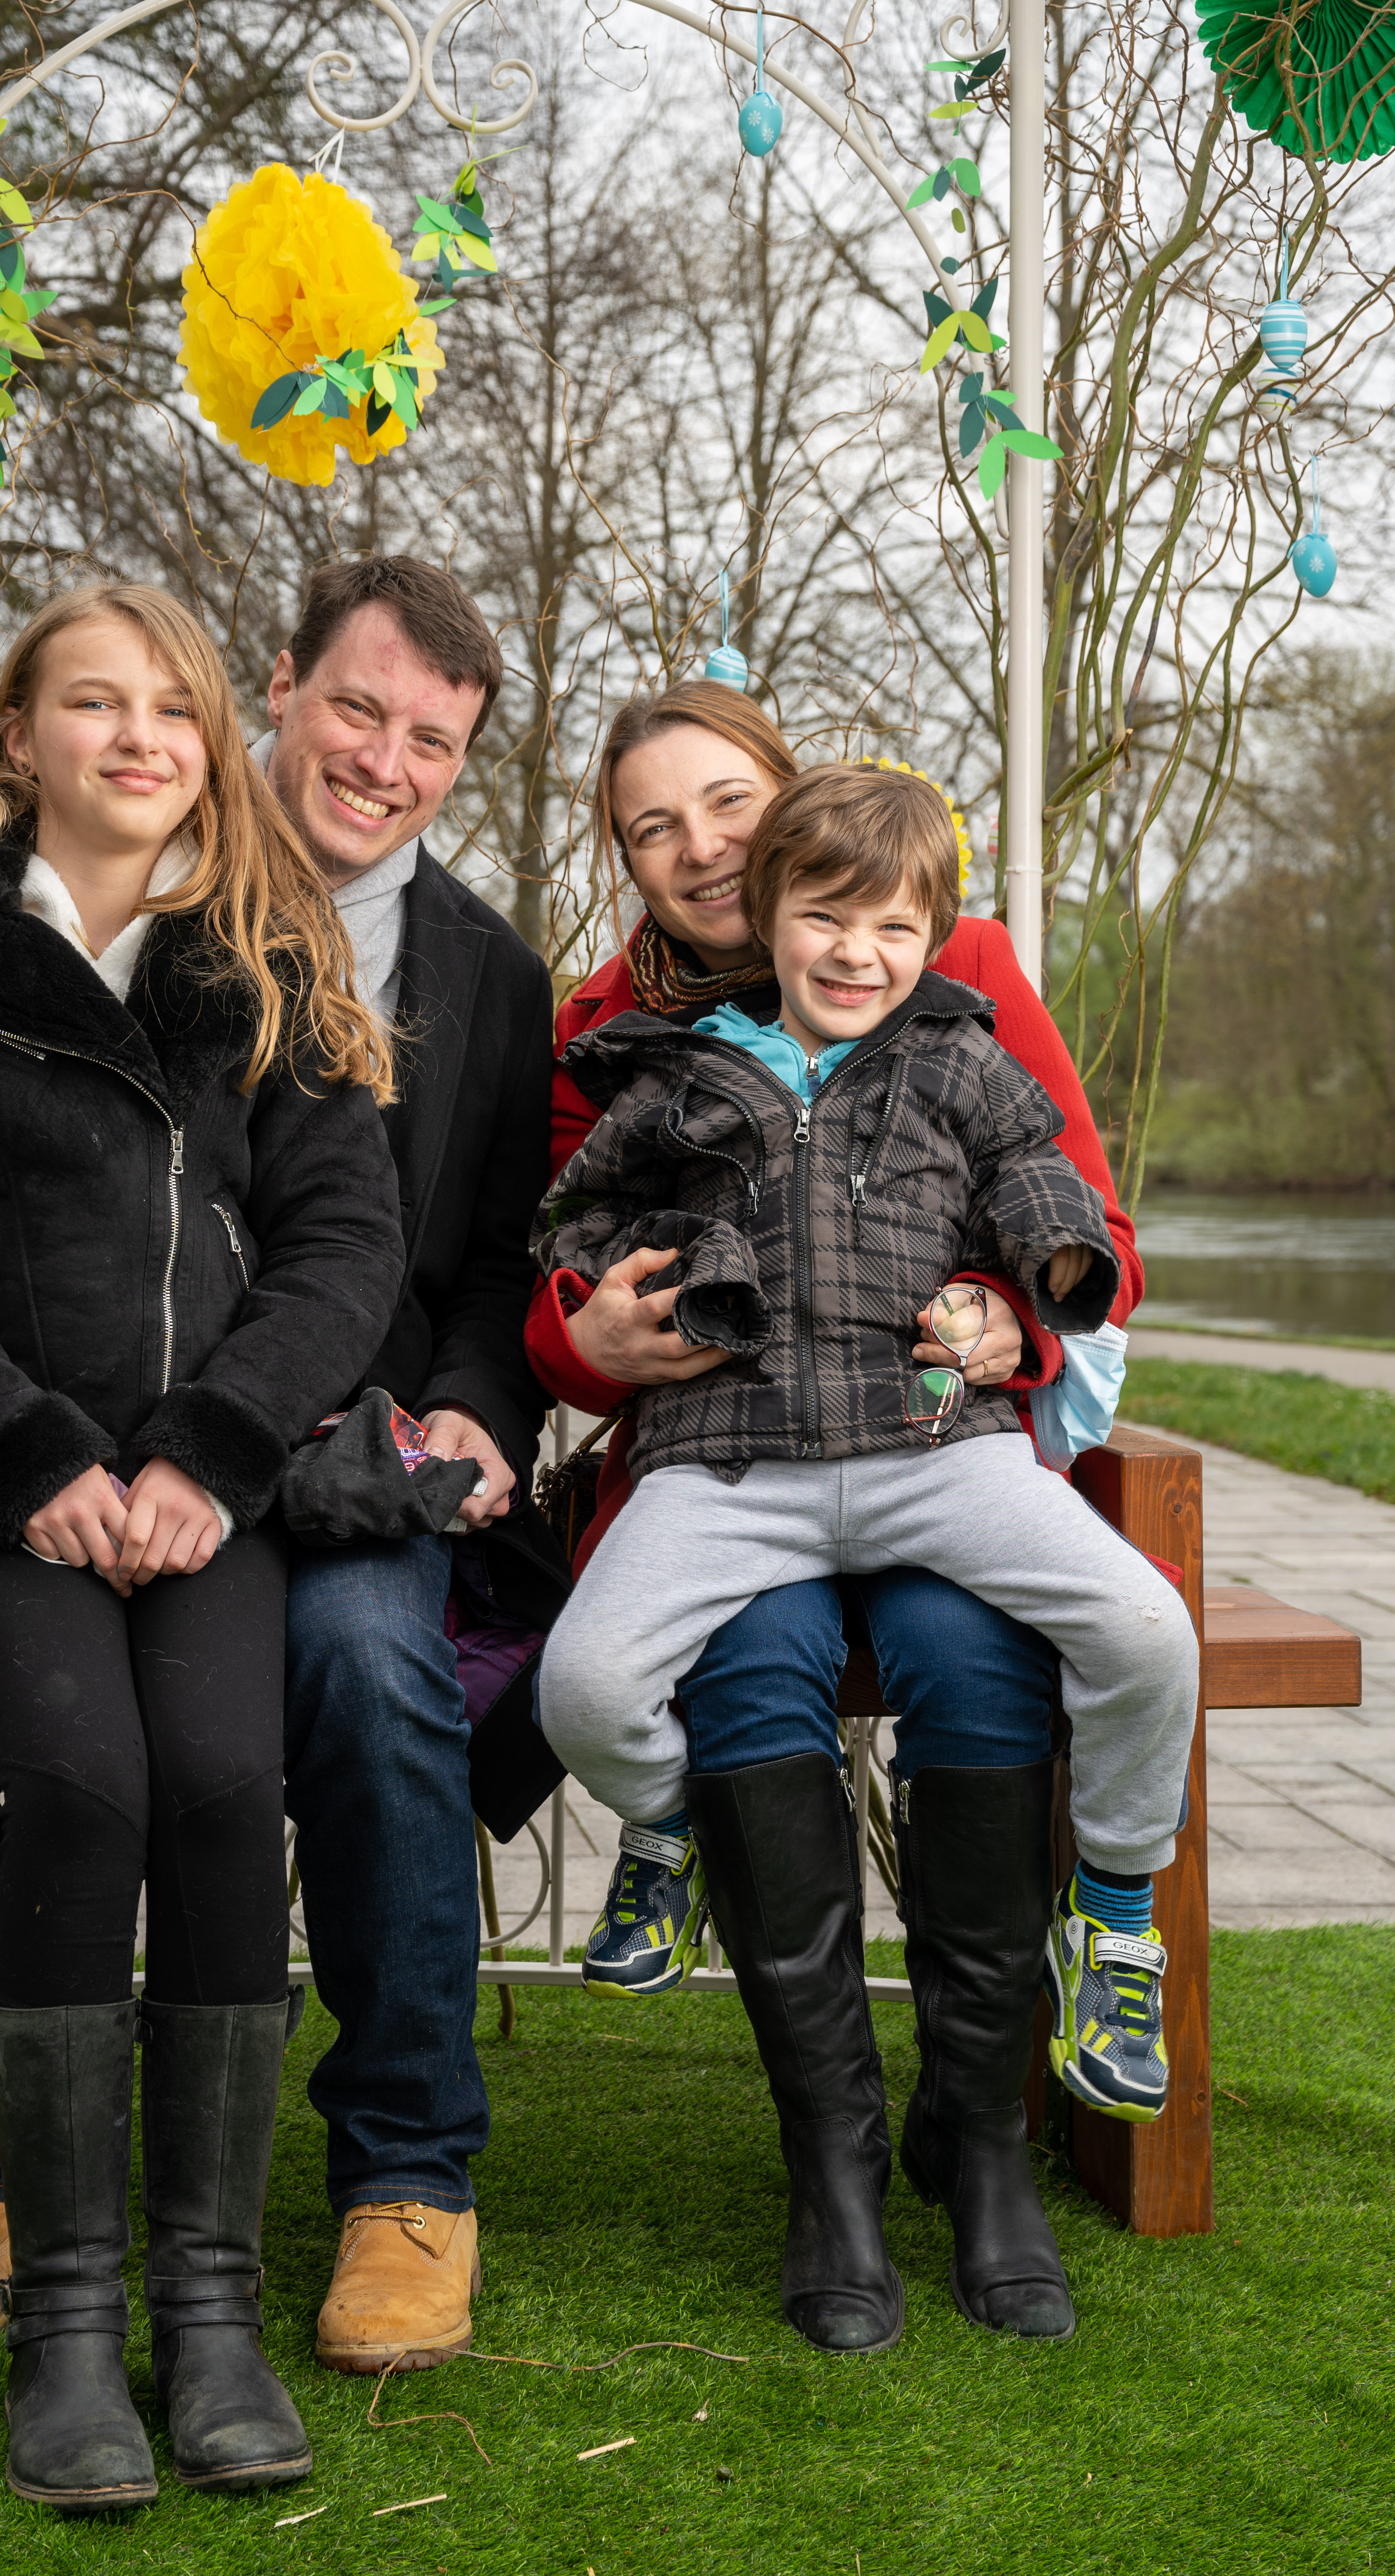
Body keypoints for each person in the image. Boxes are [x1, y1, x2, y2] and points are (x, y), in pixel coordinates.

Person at [0, 557, 561, 2384]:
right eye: (356, 710)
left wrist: (470, 1410)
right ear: (282, 687)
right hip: (6, 1446)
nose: (384, 761)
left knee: (368, 1677)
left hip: (321, 1452)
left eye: (431, 741)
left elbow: (475, 1259)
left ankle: (404, 2173)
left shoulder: (478, 973)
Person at [0, 582, 408, 2509]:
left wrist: (217, 1452)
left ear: (216, 744)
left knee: (219, 1782)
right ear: (20, 736)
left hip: (204, 1478)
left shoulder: (270, 955)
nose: (138, 737)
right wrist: (18, 1444)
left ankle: (206, 2311)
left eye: (172, 709)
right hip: (11, 1467)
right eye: (93, 703)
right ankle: (63, 2323)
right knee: (78, 1778)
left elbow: (343, 1246)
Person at [523, 684, 1154, 2353]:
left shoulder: (958, 972)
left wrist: (1016, 1314)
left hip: (931, 1435)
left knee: (979, 1664)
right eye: (653, 827)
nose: (698, 847)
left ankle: (982, 2138)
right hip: (732, 1457)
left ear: (788, 804)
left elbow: (1082, 1226)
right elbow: (554, 1273)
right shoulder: (618, 1034)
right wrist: (593, 1340)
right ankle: (834, 2162)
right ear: (626, 860)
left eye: (727, 803)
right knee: (745, 1674)